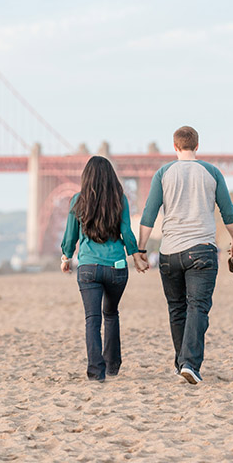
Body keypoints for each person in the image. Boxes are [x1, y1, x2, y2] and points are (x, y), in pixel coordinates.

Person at [135, 126, 233, 385]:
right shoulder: (211, 172)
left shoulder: (163, 173)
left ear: (174, 147)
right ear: (197, 145)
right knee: (198, 307)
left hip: (169, 253)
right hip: (201, 250)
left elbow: (149, 215)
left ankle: (181, 363)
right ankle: (189, 364)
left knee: (177, 308)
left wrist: (141, 249)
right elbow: (228, 212)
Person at [61, 156, 148, 381]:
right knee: (110, 313)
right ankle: (113, 365)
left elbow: (70, 235)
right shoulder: (120, 199)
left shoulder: (77, 201)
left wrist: (66, 257)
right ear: (111, 176)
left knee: (92, 318)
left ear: (86, 177)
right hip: (117, 267)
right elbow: (127, 232)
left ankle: (95, 372)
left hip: (88, 268)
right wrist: (136, 257)